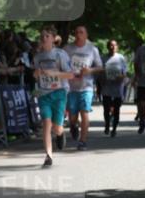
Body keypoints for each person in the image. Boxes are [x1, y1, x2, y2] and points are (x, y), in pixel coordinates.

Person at [32, 25, 74, 166]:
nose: (44, 38)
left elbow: (70, 74)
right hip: (44, 94)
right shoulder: (37, 57)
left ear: (53, 39)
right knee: (46, 124)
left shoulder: (60, 55)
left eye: (47, 36)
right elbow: (35, 75)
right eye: (42, 36)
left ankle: (60, 134)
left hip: (59, 93)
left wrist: (54, 73)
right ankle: (48, 155)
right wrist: (36, 74)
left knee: (56, 127)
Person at [63, 24, 103, 150]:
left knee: (84, 112)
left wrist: (90, 70)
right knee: (73, 117)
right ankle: (74, 126)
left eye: (81, 32)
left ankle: (83, 141)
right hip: (71, 87)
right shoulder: (67, 49)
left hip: (86, 86)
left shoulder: (92, 49)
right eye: (76, 32)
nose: (78, 34)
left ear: (86, 35)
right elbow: (60, 65)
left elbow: (100, 67)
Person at [100, 39, 128, 137]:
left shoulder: (121, 58)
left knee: (116, 110)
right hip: (106, 88)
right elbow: (99, 72)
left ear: (117, 47)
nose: (112, 47)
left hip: (118, 88)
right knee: (106, 109)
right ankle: (107, 125)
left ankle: (114, 129)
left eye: (114, 45)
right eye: (111, 45)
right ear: (108, 47)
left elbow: (125, 73)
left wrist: (121, 77)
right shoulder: (103, 58)